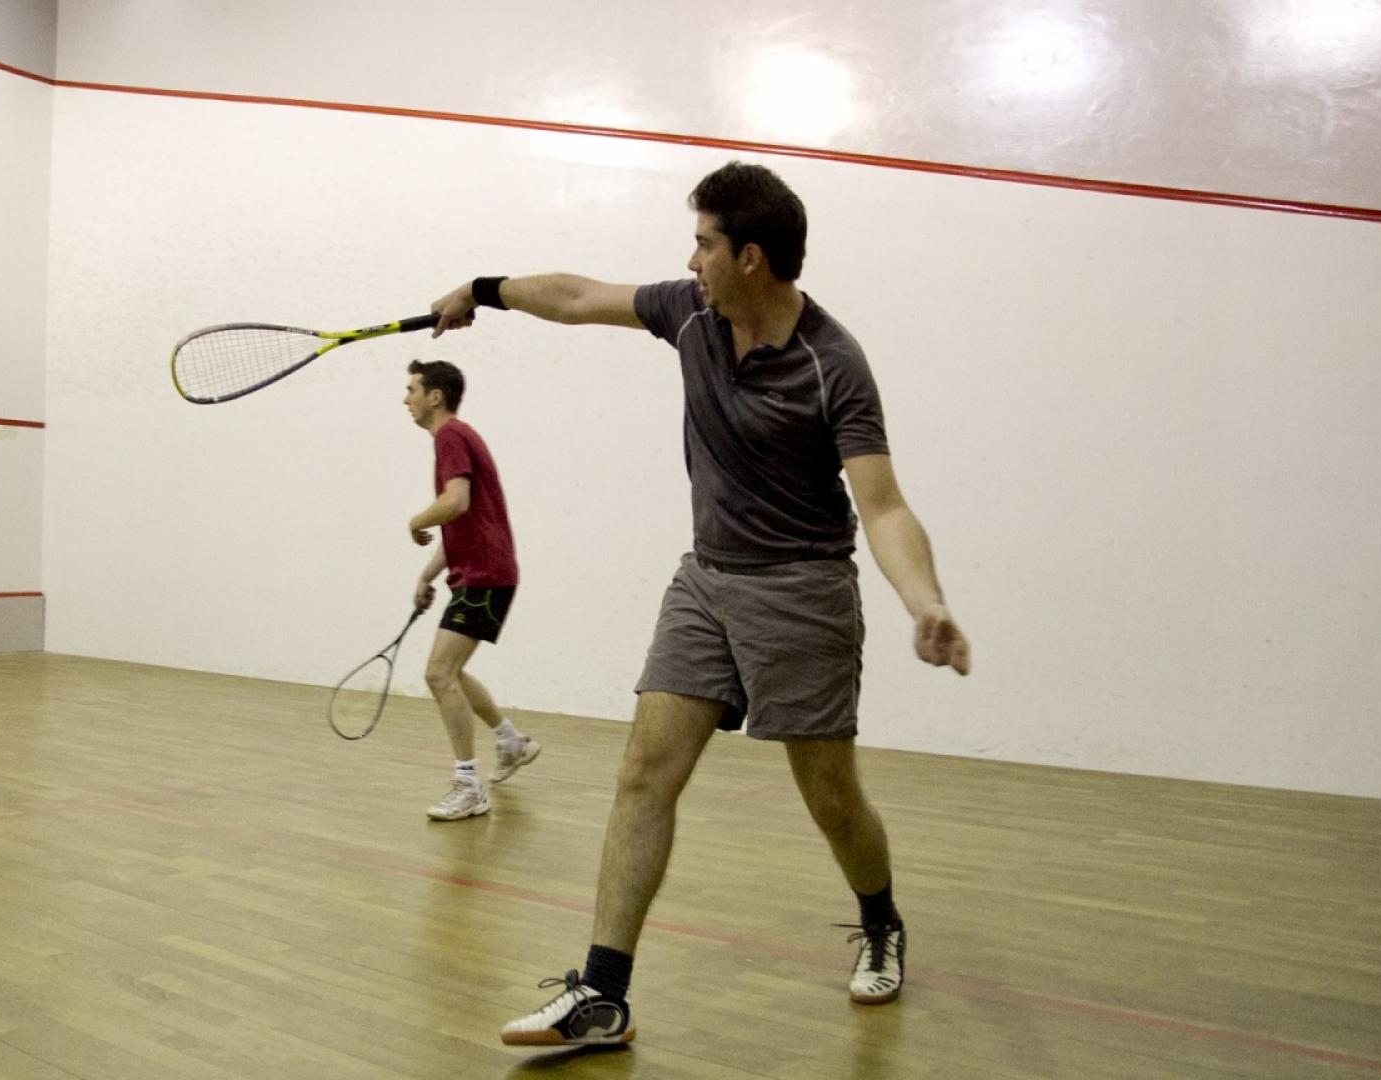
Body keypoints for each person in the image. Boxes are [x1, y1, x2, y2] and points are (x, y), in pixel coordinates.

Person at [428, 162, 971, 1045]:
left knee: (830, 796)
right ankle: (603, 996)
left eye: (705, 243)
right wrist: (484, 290)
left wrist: (924, 602)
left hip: (804, 590)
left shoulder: (834, 365)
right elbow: (574, 297)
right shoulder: (690, 317)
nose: (691, 259)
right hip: (706, 582)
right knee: (644, 772)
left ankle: (880, 924)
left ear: (750, 258)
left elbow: (883, 504)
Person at [403, 359, 541, 821]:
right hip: (484, 572)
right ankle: (510, 742)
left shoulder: (450, 437)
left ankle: (468, 784)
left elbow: (454, 502)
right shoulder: (458, 437)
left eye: (412, 390)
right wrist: (428, 574)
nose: (406, 399)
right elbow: (465, 520)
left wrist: (416, 520)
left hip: (484, 577)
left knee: (439, 674)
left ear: (434, 396)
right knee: (453, 673)